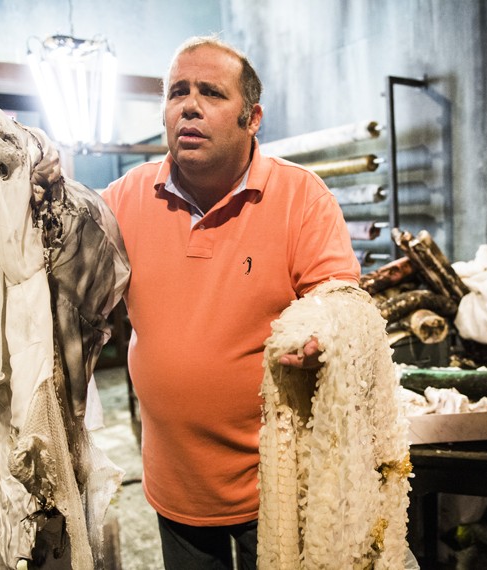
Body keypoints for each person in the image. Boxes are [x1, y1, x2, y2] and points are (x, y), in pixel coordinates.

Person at [100, 35, 360, 569]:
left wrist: (322, 337)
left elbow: (340, 302)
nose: (188, 105)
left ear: (253, 118)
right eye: (177, 92)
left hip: (281, 481)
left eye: (211, 92)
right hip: (177, 482)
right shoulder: (125, 199)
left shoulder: (300, 197)